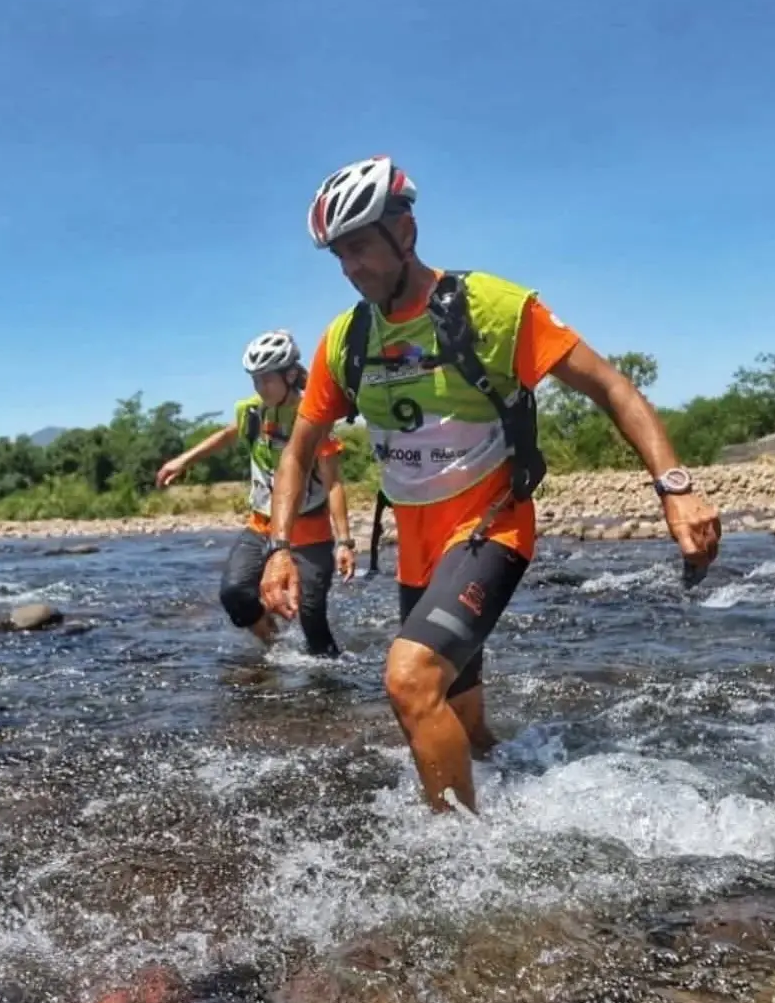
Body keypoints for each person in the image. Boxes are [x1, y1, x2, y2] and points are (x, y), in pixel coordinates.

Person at [260, 155, 722, 813]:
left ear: (405, 232)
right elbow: (298, 450)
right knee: (463, 721)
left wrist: (675, 486)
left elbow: (611, 386)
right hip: (415, 548)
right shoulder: (346, 340)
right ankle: (524, 799)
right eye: (339, 255)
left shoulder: (492, 309)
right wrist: (280, 547)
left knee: (410, 680)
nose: (349, 268)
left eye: (359, 247)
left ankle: (459, 854)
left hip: (490, 527)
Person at [156, 328, 356, 657]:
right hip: (261, 524)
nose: (261, 388)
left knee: (313, 621)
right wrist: (183, 461)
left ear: (290, 375)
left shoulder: (313, 416)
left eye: (267, 379)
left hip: (310, 528)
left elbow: (333, 483)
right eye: (255, 380)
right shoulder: (253, 410)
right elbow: (227, 434)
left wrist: (345, 541)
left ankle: (326, 678)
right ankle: (276, 650)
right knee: (235, 594)